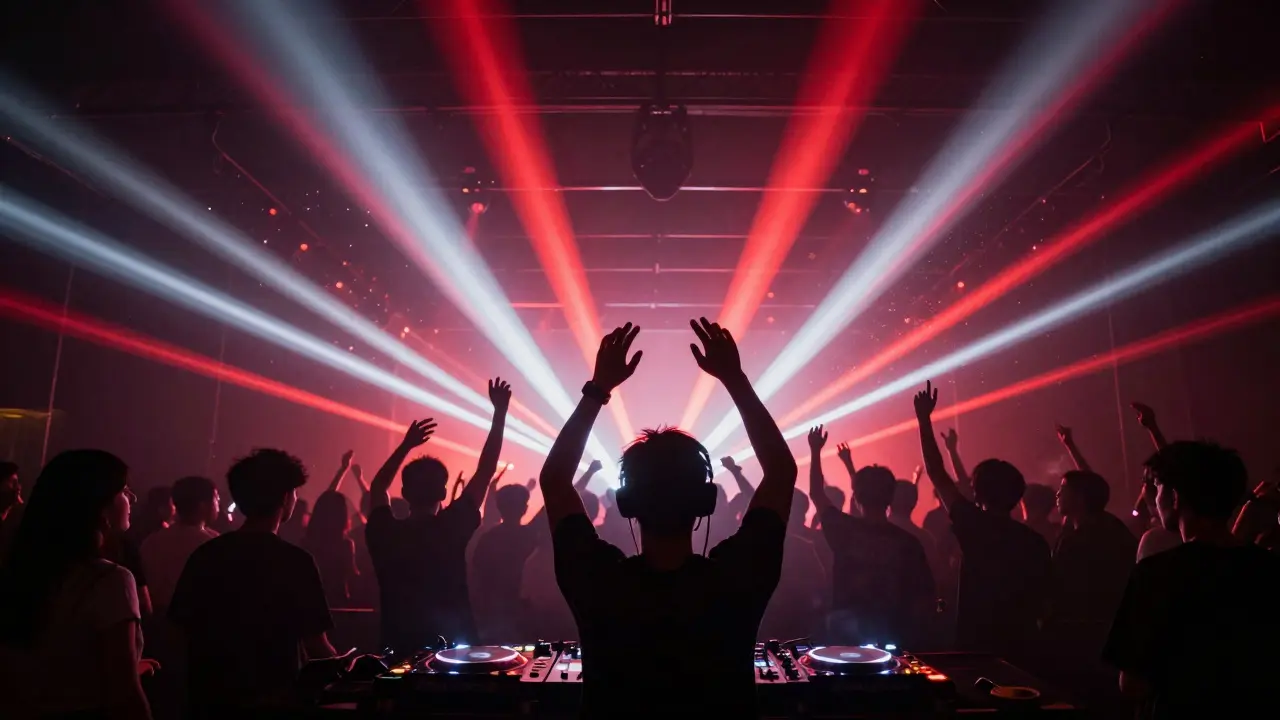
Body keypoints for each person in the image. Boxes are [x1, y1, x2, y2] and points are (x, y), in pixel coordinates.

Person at [543, 319, 797, 719]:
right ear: (708, 500)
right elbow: (781, 471)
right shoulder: (737, 579)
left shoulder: (599, 582)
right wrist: (734, 379)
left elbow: (554, 480)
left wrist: (598, 390)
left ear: (624, 504)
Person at [1104, 441, 1280, 718]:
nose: (1155, 497)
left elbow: (1133, 684)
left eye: (1158, 487)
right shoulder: (1270, 569)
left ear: (1175, 497)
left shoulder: (1157, 573)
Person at [169, 449, 335, 716]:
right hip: (277, 699)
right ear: (285, 497)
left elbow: (180, 629)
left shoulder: (206, 555)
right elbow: (316, 643)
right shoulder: (295, 561)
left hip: (210, 698)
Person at [0, 450, 151, 719]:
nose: (132, 499)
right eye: (124, 491)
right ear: (100, 505)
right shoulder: (110, 580)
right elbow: (124, 693)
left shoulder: (18, 568)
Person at [914, 382, 1050, 667]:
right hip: (1024, 646)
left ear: (977, 492)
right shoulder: (1035, 542)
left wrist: (924, 421)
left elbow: (937, 473)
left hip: (976, 646)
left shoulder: (974, 526)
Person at [366, 378, 510, 650]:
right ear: (444, 494)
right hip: (453, 649)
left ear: (404, 493)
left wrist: (406, 445)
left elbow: (377, 487)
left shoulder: (385, 533)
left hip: (397, 648)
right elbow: (486, 470)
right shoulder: (450, 527)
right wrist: (500, 413)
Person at [808, 428, 934, 648]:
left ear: (856, 497)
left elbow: (817, 493)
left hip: (846, 638)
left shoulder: (844, 530)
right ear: (890, 497)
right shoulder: (909, 543)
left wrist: (815, 451)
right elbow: (923, 598)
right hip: (894, 636)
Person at [1044, 469, 1136, 705]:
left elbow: (1059, 587)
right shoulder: (1114, 528)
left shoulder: (1078, 541)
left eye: (1063, 488)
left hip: (1080, 638)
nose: (1057, 493)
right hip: (1114, 635)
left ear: (1080, 498)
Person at [140, 475, 220, 613]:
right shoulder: (210, 544)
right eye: (216, 498)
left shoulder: (152, 541)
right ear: (202, 505)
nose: (218, 502)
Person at [301, 491, 360, 608]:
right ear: (342, 516)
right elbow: (352, 576)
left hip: (309, 603)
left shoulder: (306, 543)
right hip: (338, 602)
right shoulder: (345, 545)